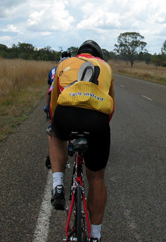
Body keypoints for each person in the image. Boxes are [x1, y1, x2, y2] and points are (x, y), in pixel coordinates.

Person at [48, 40, 114, 242]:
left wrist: (56, 123)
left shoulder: (63, 65)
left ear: (79, 55)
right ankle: (95, 236)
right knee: (96, 179)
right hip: (97, 121)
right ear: (98, 56)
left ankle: (58, 183)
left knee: (55, 134)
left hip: (66, 115)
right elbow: (110, 108)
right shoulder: (106, 67)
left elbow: (54, 104)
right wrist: (97, 129)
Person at [44, 51, 71, 169]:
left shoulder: (54, 70)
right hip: (70, 98)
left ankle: (52, 154)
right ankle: (71, 143)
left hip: (54, 100)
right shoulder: (74, 67)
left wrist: (47, 108)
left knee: (52, 128)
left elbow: (50, 90)